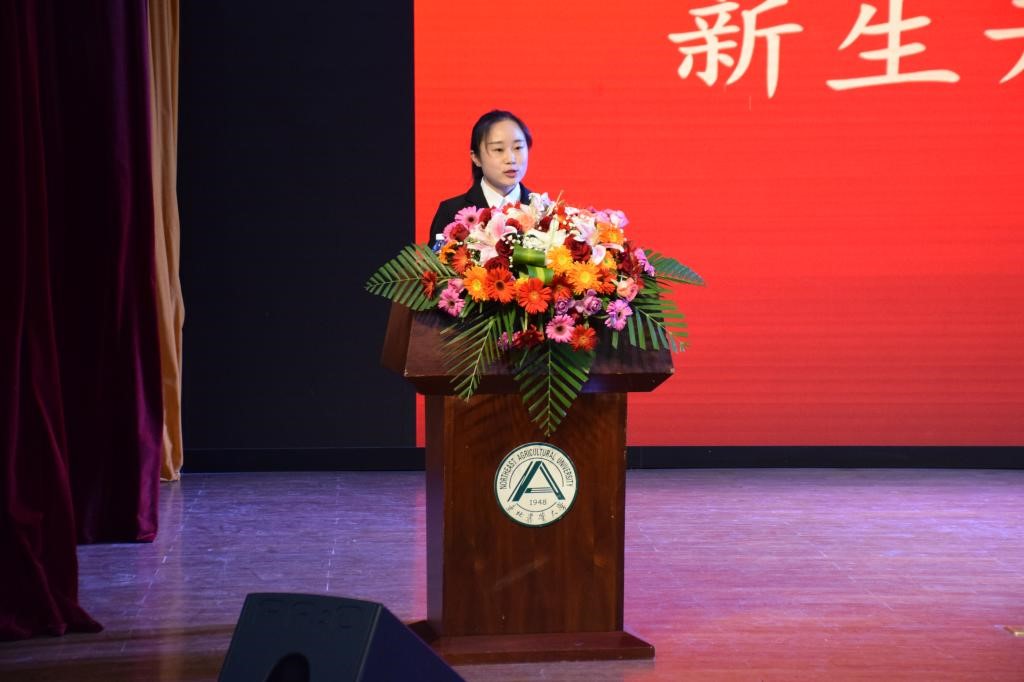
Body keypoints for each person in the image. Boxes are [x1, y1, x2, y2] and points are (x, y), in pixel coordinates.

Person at [428, 110, 534, 238]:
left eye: (518, 148)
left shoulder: (544, 212)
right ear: (476, 157)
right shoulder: (451, 212)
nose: (511, 159)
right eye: (498, 149)